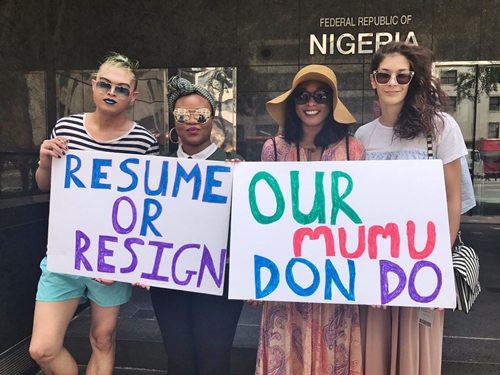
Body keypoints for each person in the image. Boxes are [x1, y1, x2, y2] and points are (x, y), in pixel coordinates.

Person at [29, 52, 159, 375]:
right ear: (93, 85)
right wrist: (45, 163)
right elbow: (46, 186)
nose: (111, 92)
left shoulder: (143, 141)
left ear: (134, 95)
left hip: (114, 255)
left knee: (102, 339)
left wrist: (134, 262)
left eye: (121, 88)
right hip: (66, 251)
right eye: (105, 84)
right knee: (42, 348)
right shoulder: (67, 127)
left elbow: (147, 207)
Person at [355, 41, 467, 375]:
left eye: (401, 76)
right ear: (372, 80)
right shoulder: (362, 136)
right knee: (373, 352)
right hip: (374, 265)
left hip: (423, 264)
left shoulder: (441, 127)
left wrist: (439, 262)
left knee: (416, 355)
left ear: (412, 79)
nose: (393, 83)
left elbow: (453, 199)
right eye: (384, 75)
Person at [255, 65, 365, 375]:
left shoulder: (352, 149)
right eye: (303, 96)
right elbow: (263, 218)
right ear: (293, 103)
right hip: (285, 278)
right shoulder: (273, 150)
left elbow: (362, 218)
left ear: (332, 102)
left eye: (320, 95)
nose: (311, 103)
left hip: (335, 278)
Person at [149, 76, 244, 375]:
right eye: (182, 115)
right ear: (174, 121)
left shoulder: (236, 168)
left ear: (212, 120)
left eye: (200, 115)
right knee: (177, 359)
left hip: (218, 281)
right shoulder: (155, 170)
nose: (192, 121)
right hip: (168, 281)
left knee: (214, 362)